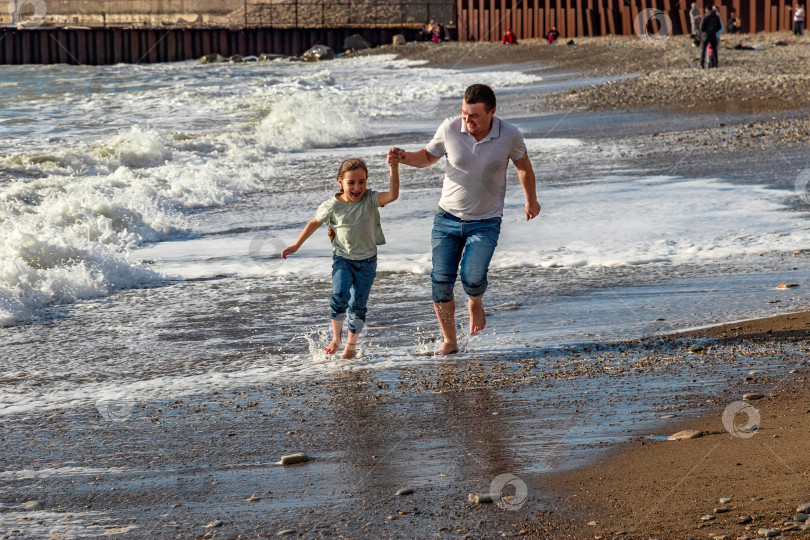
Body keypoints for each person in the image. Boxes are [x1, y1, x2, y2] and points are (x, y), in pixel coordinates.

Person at [391, 84, 540, 356]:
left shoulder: (510, 134)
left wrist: (531, 199)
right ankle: (450, 341)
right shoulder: (450, 128)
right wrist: (403, 158)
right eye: (463, 113)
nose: (467, 120)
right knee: (441, 283)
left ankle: (475, 301)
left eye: (474, 116)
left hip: (486, 220)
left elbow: (523, 168)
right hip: (446, 218)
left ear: (492, 112)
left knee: (472, 276)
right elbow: (427, 156)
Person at [281, 152, 400, 359]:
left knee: (358, 306)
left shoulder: (370, 199)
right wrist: (296, 245)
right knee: (339, 297)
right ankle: (336, 338)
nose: (357, 187)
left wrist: (394, 167)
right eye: (351, 182)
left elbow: (393, 195)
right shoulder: (332, 205)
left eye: (361, 182)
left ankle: (350, 347)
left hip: (368, 262)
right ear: (340, 182)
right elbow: (314, 223)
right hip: (343, 260)